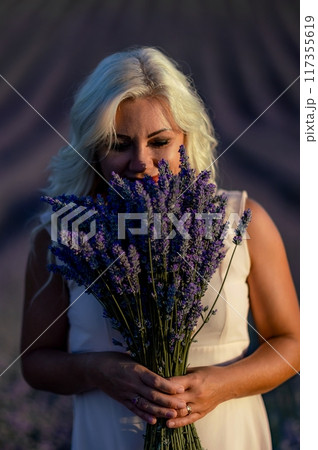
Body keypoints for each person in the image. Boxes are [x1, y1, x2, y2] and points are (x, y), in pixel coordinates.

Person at [21, 47, 300, 450]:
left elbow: (291, 341)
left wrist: (222, 384)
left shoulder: (241, 221)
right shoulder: (60, 237)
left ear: (186, 138)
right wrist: (98, 371)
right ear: (94, 149)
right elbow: (34, 362)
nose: (141, 162)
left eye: (159, 141)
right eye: (119, 144)